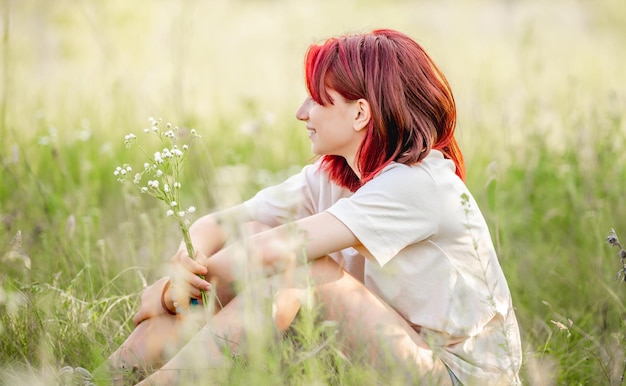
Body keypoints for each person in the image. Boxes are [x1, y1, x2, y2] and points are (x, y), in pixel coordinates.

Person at [101, 28, 522, 385]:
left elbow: (278, 251)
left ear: (360, 113)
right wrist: (182, 265)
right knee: (248, 244)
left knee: (303, 270)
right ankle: (106, 376)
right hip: (385, 351)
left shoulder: (418, 184)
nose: (302, 113)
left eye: (317, 99)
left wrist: (167, 295)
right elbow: (221, 226)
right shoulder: (333, 173)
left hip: (456, 376)